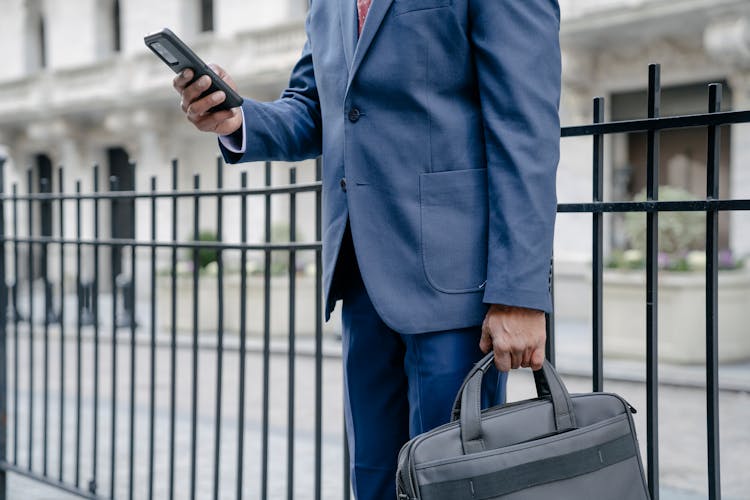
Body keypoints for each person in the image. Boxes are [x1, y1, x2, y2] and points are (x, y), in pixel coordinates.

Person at [173, 1, 560, 498]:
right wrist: (235, 118)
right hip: (362, 279)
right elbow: (316, 107)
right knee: (375, 479)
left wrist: (522, 293)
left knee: (452, 482)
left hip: (460, 288)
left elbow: (525, 128)